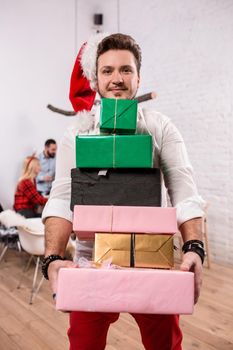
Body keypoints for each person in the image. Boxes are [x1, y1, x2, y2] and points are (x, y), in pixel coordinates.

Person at [42, 33, 206, 350]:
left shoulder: (160, 127)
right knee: (84, 344)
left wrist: (194, 246)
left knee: (166, 344)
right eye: (107, 71)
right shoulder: (76, 133)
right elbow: (62, 198)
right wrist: (52, 258)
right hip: (92, 260)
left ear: (138, 76)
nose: (117, 78)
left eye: (126, 70)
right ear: (95, 78)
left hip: (152, 259)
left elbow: (185, 192)